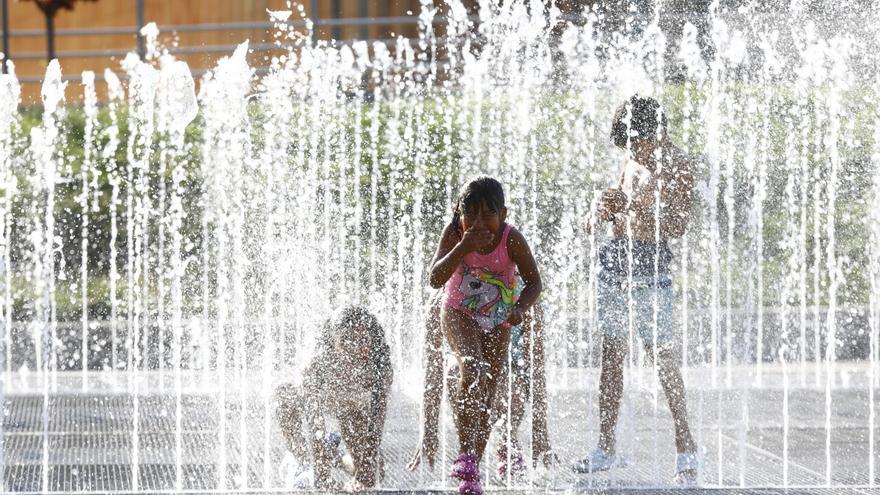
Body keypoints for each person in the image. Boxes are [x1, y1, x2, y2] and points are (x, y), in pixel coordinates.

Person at [575, 95, 699, 484]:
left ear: (655, 134)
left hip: (651, 266)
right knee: (611, 357)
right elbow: (613, 213)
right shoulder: (631, 162)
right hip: (614, 261)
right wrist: (598, 213)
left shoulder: (679, 165)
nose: (631, 153)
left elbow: (677, 226)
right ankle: (605, 445)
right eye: (627, 147)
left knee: (662, 357)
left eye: (635, 144)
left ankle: (686, 446)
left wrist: (631, 207)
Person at [428, 176, 543, 495]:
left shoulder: (511, 239)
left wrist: (520, 308)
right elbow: (435, 278)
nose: (479, 223)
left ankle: (472, 471)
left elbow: (534, 282)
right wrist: (463, 247)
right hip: (459, 312)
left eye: (488, 214)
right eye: (471, 214)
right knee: (473, 368)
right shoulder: (455, 233)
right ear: (460, 214)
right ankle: (465, 453)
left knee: (488, 392)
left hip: (498, 318)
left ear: (503, 214)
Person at [407, 293, 556, 482]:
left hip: (505, 377)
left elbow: (536, 367)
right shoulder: (443, 296)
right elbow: (434, 370)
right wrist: (429, 430)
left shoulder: (523, 296)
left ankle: (507, 441)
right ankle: (467, 451)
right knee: (459, 373)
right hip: (464, 376)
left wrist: (540, 431)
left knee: (511, 385)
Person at [274, 306, 392, 490]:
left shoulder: (380, 365)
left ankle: (336, 457)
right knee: (283, 394)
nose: (355, 348)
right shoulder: (316, 365)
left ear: (372, 339)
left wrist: (362, 475)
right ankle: (303, 461)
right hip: (321, 401)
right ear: (332, 341)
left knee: (375, 473)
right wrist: (322, 476)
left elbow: (376, 420)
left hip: (353, 410)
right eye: (346, 340)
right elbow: (315, 422)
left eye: (362, 340)